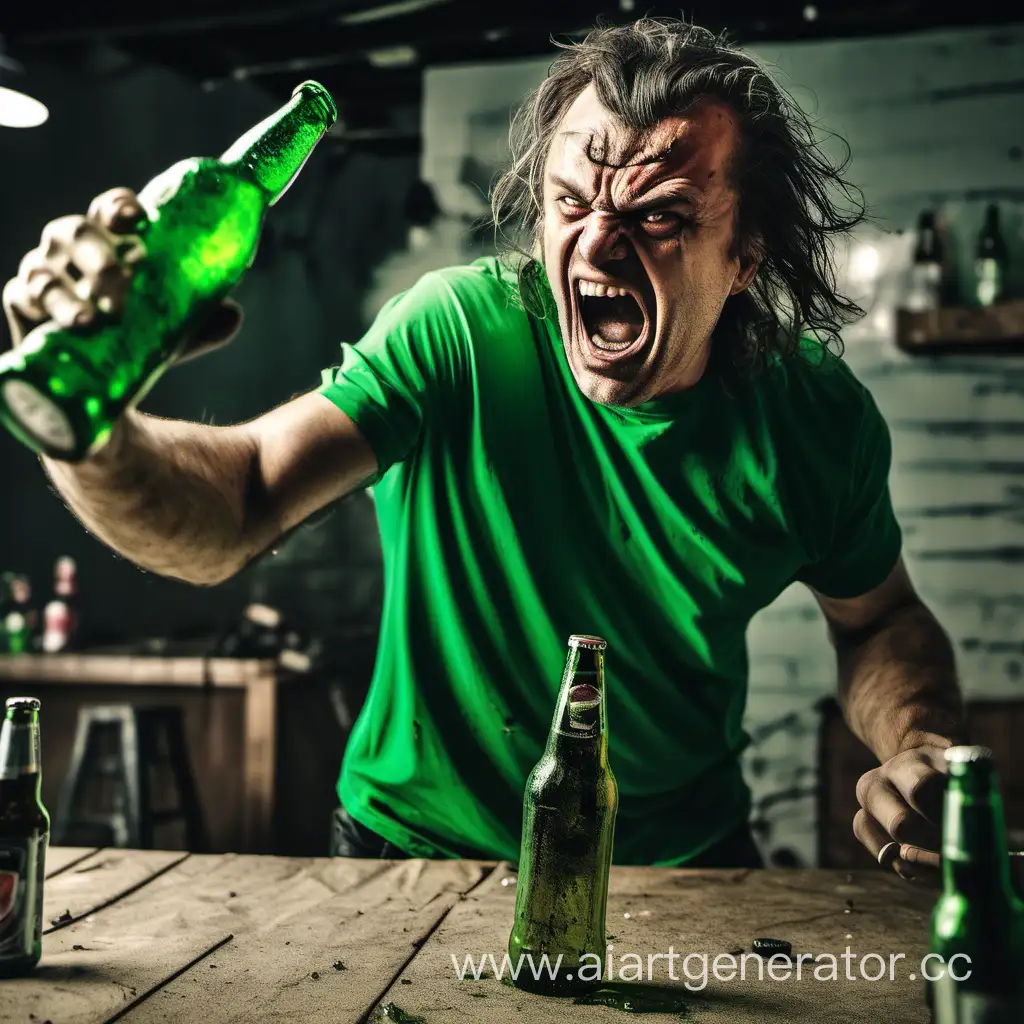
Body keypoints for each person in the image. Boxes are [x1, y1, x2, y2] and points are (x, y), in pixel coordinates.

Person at [2, 18, 963, 878]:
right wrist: (88, 421)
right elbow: (241, 501)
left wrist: (917, 740)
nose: (595, 246)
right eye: (571, 201)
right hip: (410, 854)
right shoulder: (459, 334)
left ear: (746, 253)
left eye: (656, 215)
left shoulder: (810, 419)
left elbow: (879, 620)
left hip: (673, 864)